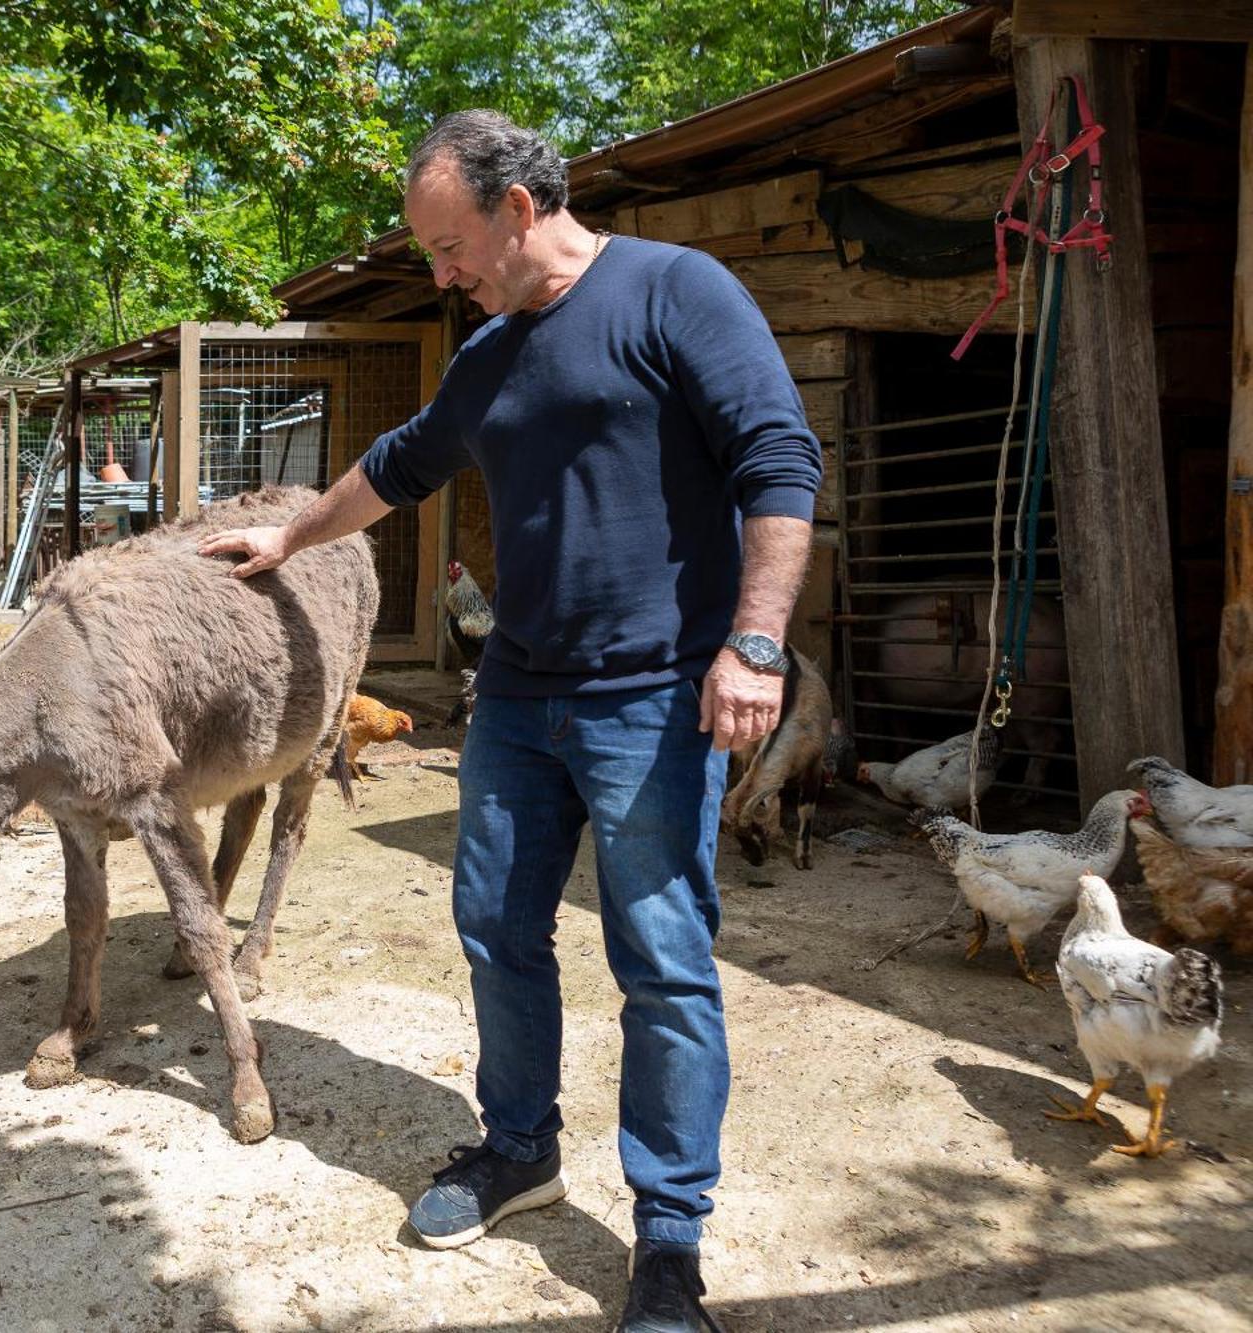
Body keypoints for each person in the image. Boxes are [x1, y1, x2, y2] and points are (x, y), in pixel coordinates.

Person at [198, 110, 820, 1333]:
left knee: (661, 962)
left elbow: (777, 462)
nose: (438, 274)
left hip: (652, 693)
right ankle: (518, 1146)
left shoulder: (674, 291)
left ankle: (667, 1240)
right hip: (520, 694)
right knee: (493, 926)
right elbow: (399, 462)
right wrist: (286, 534)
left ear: (518, 208)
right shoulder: (487, 349)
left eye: (446, 246)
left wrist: (753, 642)